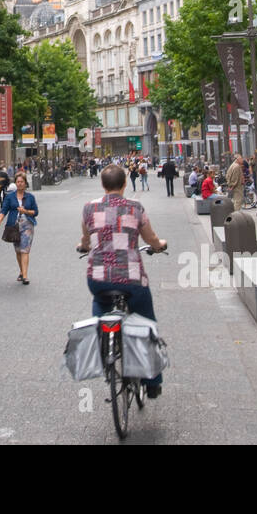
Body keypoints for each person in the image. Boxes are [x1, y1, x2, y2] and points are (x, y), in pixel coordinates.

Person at [78, 164, 169, 395]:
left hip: (98, 278)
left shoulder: (89, 208)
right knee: (145, 321)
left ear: (102, 184)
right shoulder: (135, 207)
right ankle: (152, 382)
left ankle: (101, 340)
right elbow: (152, 238)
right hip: (131, 278)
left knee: (100, 304)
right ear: (125, 183)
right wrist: (159, 246)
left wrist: (84, 246)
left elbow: (85, 240)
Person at [0, 171, 39, 285]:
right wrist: (0, 220)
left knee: (25, 250)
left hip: (27, 226)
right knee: (18, 251)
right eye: (18, 182)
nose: (20, 184)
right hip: (14, 226)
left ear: (25, 184)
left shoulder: (30, 197)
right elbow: (4, 209)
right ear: (15, 183)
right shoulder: (10, 197)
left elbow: (35, 212)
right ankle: (21, 270)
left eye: (22, 182)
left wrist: (25, 211)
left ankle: (25, 276)